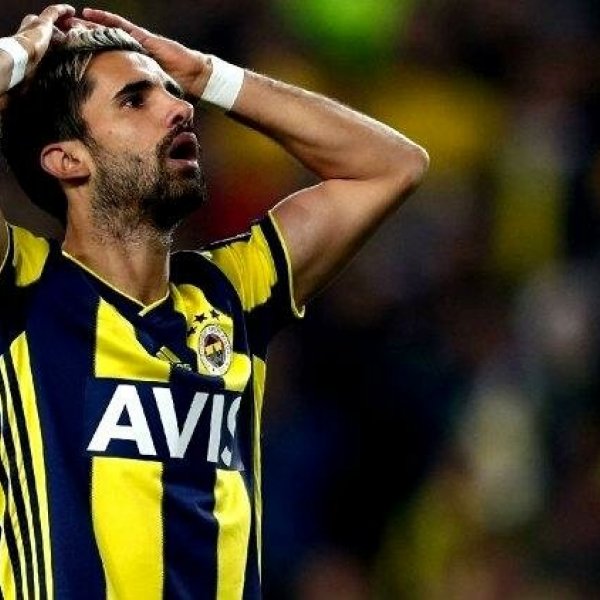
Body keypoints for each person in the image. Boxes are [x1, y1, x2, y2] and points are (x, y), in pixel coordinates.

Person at [0, 4, 428, 599]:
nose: (179, 109)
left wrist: (207, 75)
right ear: (67, 159)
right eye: (135, 100)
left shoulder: (233, 289)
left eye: (174, 94)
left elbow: (393, 165)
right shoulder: (22, 284)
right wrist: (19, 54)